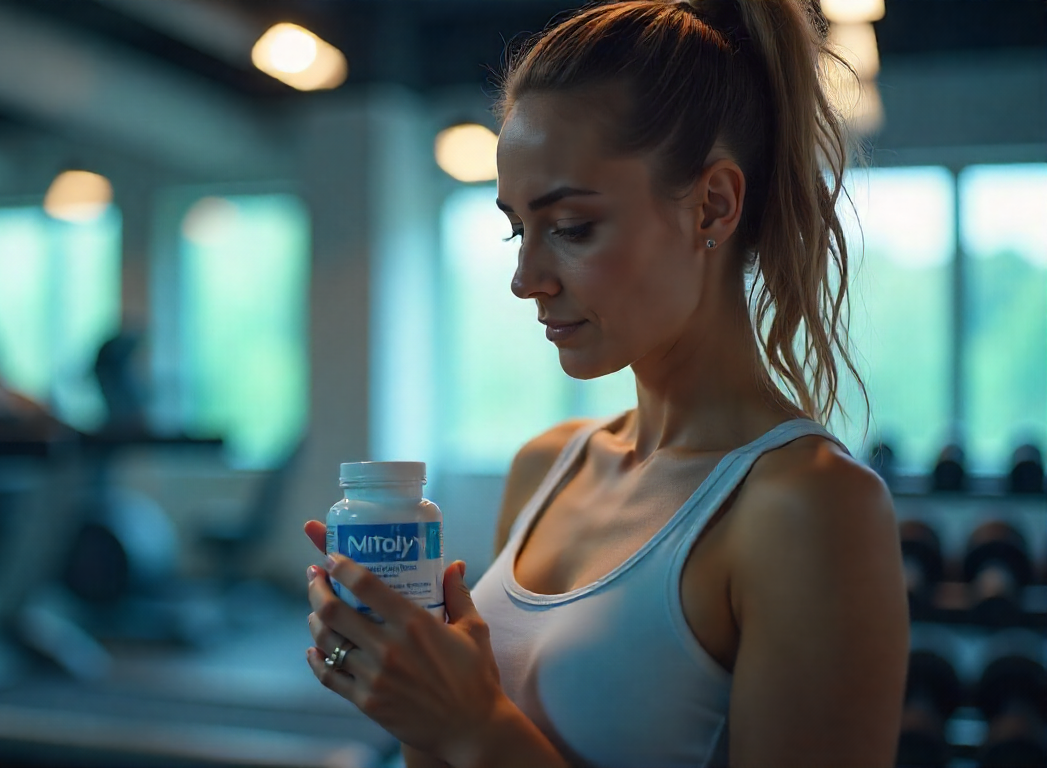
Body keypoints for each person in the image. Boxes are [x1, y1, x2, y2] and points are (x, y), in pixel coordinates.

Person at [301, 0, 908, 765]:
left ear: (712, 205)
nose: (525, 279)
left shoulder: (810, 506)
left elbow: (478, 737)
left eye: (572, 227)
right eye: (518, 228)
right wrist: (410, 696)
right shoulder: (546, 467)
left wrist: (473, 726)